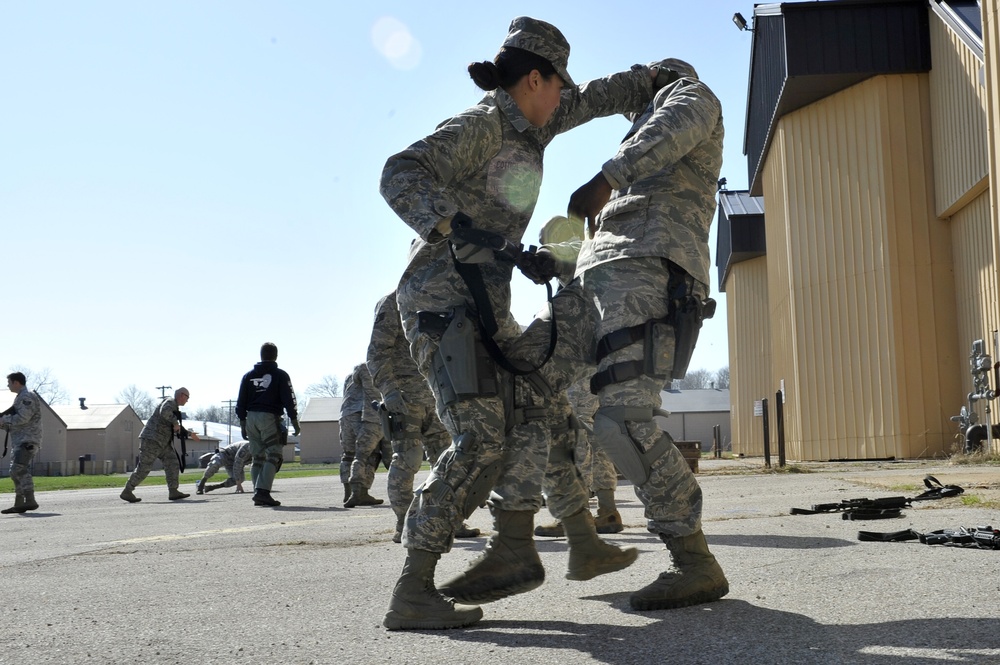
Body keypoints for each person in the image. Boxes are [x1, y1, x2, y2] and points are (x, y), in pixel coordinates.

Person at [380, 15, 659, 631]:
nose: (564, 97)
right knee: (479, 442)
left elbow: (598, 98)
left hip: (486, 308)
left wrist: (663, 80)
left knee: (543, 404)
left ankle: (577, 543)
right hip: (441, 306)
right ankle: (413, 590)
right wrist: (460, 228)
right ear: (534, 79)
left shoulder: (540, 120)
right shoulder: (480, 126)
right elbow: (398, 174)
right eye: (558, 84)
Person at [515, 58, 729, 611]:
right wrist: (557, 262)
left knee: (622, 421)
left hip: (650, 269)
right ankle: (561, 528)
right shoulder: (639, 124)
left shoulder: (689, 95)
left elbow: (667, 130)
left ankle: (695, 561)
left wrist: (605, 178)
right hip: (597, 277)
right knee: (524, 381)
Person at [366, 290, 480, 543]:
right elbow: (376, 353)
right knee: (408, 459)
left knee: (448, 462)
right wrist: (390, 392)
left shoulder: (437, 297)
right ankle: (404, 524)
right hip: (405, 398)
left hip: (439, 394)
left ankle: (447, 520)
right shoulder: (393, 301)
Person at [236, 342, 299, 507]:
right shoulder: (280, 375)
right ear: (276, 356)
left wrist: (242, 422)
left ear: (261, 355)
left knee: (258, 457)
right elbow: (289, 398)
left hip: (251, 418)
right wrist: (294, 419)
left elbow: (241, 401)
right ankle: (262, 492)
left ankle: (258, 491)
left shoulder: (248, 376)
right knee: (274, 454)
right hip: (268, 417)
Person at [120, 387, 201, 503]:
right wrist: (175, 422)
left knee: (172, 462)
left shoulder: (174, 407)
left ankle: (173, 491)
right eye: (187, 397)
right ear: (182, 395)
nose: (187, 400)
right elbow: (165, 412)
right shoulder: (170, 402)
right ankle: (127, 491)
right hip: (152, 440)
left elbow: (176, 427)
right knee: (144, 468)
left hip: (162, 443)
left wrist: (189, 433)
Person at [343, 362, 387, 508]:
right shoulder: (373, 369)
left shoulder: (350, 376)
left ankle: (349, 491)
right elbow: (373, 394)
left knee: (348, 455)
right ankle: (360, 493)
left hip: (346, 415)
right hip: (366, 415)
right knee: (368, 455)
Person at [1, 372, 42, 514]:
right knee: (14, 471)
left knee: (18, 469)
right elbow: (15, 422)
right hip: (20, 441)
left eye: (9, 382)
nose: (7, 385)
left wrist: (3, 420)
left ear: (16, 382)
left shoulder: (27, 396)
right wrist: (3, 424)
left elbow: (23, 418)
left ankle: (30, 500)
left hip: (27, 440)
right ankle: (19, 503)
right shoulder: (19, 398)